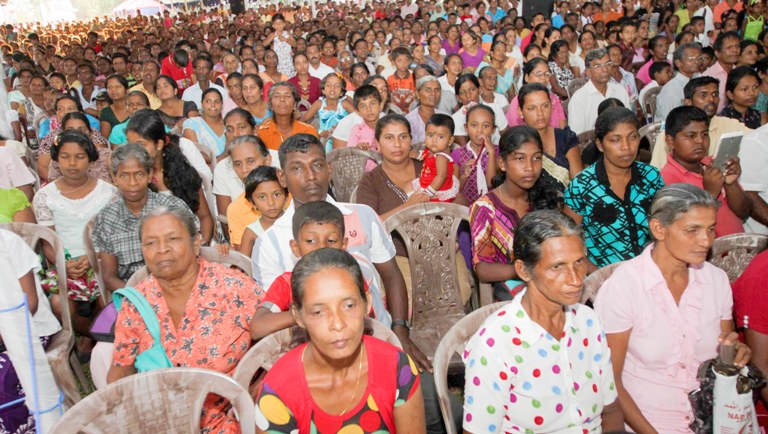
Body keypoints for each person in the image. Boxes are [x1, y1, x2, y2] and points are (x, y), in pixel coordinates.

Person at [251, 133, 430, 372]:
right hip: (313, 353)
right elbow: (271, 319)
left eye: (317, 165)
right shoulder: (269, 243)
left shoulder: (363, 216)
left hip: (379, 339)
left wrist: (400, 331)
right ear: (282, 177)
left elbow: (392, 276)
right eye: (297, 168)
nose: (311, 176)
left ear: (329, 169)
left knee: (425, 399)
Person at [595, 183, 751, 433]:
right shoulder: (625, 287)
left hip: (711, 415)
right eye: (693, 230)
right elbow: (609, 381)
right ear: (659, 229)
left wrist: (735, 353)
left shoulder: (716, 280)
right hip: (647, 421)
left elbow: (725, 352)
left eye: (710, 229)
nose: (706, 241)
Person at [463, 210, 624, 433]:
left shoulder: (588, 322)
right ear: (523, 271)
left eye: (579, 262)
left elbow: (611, 411)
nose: (576, 279)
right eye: (557, 267)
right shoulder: (497, 342)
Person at [107, 205, 264, 434]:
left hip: (236, 415)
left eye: (172, 238)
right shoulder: (137, 303)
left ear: (196, 242)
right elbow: (121, 371)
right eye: (150, 243)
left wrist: (253, 396)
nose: (161, 250)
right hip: (166, 421)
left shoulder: (234, 288)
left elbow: (278, 347)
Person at [255, 248, 425, 433]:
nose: (337, 324)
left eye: (348, 305)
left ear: (366, 304)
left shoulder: (397, 368)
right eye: (319, 312)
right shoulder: (280, 390)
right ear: (299, 316)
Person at [250, 200, 391, 340]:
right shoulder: (286, 284)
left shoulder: (352, 279)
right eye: (311, 241)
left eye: (331, 240)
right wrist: (304, 313)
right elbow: (258, 327)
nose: (322, 247)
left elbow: (368, 327)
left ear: (344, 245)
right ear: (295, 247)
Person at [564, 107, 665, 269]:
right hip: (605, 276)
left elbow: (666, 224)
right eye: (615, 140)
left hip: (652, 269)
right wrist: (600, 278)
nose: (626, 147)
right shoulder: (581, 187)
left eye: (632, 137)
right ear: (600, 144)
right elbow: (568, 242)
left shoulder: (651, 176)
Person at [91, 143, 197, 292]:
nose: (132, 183)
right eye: (124, 175)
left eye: (139, 174)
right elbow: (109, 277)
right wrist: (139, 299)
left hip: (179, 287)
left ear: (149, 175)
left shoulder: (173, 208)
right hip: (133, 293)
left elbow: (196, 253)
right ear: (114, 178)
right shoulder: (107, 218)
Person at [0, 229, 61, 433]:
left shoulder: (8, 244)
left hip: (30, 329)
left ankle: (25, 428)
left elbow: (31, 304)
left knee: (2, 378)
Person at [125, 109, 214, 243]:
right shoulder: (130, 180)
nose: (134, 151)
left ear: (159, 144)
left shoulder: (183, 172)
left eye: (141, 145)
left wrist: (202, 245)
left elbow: (205, 217)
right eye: (130, 144)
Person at [661, 105, 750, 236]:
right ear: (671, 141)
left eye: (704, 134)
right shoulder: (666, 178)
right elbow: (685, 228)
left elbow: (744, 212)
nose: (700, 141)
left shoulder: (712, 164)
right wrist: (710, 193)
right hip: (705, 254)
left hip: (739, 249)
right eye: (691, 135)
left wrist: (731, 184)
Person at [650, 76, 752, 168]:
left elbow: (757, 138)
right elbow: (658, 172)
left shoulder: (728, 124)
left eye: (715, 94)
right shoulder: (673, 133)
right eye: (703, 95)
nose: (711, 99)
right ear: (688, 102)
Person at [518, 83, 583, 194]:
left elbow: (578, 186)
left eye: (545, 106)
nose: (540, 113)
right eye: (532, 108)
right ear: (520, 112)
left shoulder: (566, 138)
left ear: (552, 107)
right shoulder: (515, 144)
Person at [37, 95, 107, 182]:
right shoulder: (53, 138)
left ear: (80, 111)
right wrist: (64, 185)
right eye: (60, 109)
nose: (65, 112)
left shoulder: (93, 134)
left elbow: (101, 165)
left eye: (70, 108)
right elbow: (42, 167)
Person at [225, 135, 279, 247]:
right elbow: (244, 258)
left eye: (250, 161)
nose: (244, 170)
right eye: (237, 164)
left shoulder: (292, 194)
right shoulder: (236, 209)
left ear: (268, 160)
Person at [568, 48, 631, 134]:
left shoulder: (620, 91)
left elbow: (629, 122)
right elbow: (577, 135)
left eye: (608, 64)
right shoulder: (579, 99)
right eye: (598, 66)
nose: (605, 69)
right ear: (588, 72)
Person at [237, 166, 287, 256]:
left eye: (276, 194)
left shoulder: (295, 221)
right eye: (262, 197)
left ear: (286, 196)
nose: (271, 203)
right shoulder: (252, 232)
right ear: (252, 202)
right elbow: (243, 266)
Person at [257, 82, 318, 154]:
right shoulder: (262, 132)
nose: (282, 99)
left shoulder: (308, 131)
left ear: (295, 105)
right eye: (277, 96)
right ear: (271, 105)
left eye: (287, 96)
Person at [506, 58, 567, 129]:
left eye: (546, 74)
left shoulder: (553, 98)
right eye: (538, 74)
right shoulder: (517, 102)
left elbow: (563, 126)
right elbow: (516, 133)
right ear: (526, 77)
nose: (543, 77)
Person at [451, 74, 508, 147]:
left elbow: (506, 136)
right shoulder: (455, 119)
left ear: (480, 90)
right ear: (458, 97)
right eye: (462, 92)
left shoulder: (495, 108)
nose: (468, 95)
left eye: (472, 90)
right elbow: (465, 149)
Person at [412, 114, 459, 202]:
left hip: (438, 190)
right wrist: (417, 155)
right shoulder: (433, 152)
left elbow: (441, 176)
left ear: (450, 140)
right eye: (430, 135)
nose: (434, 140)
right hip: (430, 183)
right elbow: (427, 155)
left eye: (440, 137)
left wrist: (428, 193)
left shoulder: (441, 157)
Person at [301, 73, 354, 150]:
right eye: (328, 85)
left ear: (341, 92)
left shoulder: (344, 104)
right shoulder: (319, 104)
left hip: (342, 139)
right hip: (323, 139)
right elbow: (303, 120)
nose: (332, 88)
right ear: (323, 90)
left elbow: (358, 119)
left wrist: (343, 127)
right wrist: (316, 133)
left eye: (337, 86)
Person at [182, 88, 228, 161]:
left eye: (217, 101)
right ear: (202, 104)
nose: (213, 105)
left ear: (222, 104)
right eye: (208, 101)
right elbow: (196, 157)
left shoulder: (228, 125)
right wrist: (225, 154)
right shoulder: (192, 124)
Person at [704, 31, 740, 113]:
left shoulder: (740, 72)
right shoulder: (708, 76)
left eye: (737, 46)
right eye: (729, 47)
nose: (735, 50)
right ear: (717, 53)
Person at [405, 75, 446, 147]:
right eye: (428, 90)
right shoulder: (409, 120)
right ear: (417, 94)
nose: (433, 94)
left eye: (437, 90)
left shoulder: (445, 118)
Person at [99, 74, 129, 139]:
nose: (113, 90)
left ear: (127, 90)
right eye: (109, 87)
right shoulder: (105, 112)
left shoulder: (134, 108)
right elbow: (105, 138)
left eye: (118, 86)